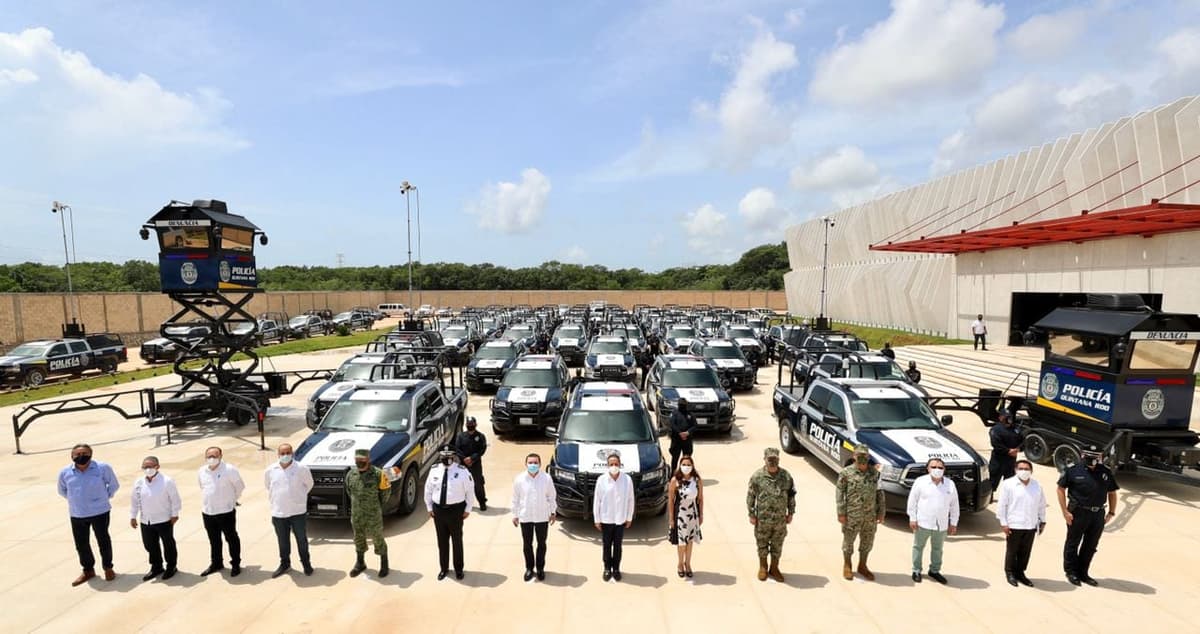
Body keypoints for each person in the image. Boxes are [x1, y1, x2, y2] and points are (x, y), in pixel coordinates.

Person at [58, 443, 120, 586]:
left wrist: (104, 498)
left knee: (103, 541)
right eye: (77, 455)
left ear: (91, 454)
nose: (81, 457)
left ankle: (108, 568)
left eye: (85, 453)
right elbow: (62, 490)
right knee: (81, 544)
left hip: (100, 511)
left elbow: (114, 485)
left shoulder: (102, 468)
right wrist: (77, 501)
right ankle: (88, 570)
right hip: (77, 513)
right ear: (72, 456)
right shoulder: (65, 472)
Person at [1057, 445, 1119, 586]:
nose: (1094, 460)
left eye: (1096, 457)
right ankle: (1071, 572)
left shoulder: (1105, 472)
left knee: (1091, 545)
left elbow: (1112, 493)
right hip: (1078, 512)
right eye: (1091, 456)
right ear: (1083, 455)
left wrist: (1111, 512)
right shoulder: (1073, 470)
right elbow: (1060, 489)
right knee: (1073, 543)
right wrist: (1065, 512)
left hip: (1098, 514)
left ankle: (1083, 572)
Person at [425, 444, 475, 580]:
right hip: (438, 511)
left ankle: (459, 569)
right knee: (442, 541)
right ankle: (444, 569)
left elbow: (470, 491)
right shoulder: (434, 470)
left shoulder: (462, 471)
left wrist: (468, 509)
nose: (446, 459)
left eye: (449, 456)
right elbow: (428, 490)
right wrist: (429, 507)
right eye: (443, 456)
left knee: (457, 541)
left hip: (456, 511)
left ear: (454, 457)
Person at [836, 444, 885, 581]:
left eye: (865, 456)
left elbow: (880, 493)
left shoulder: (875, 473)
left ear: (869, 457)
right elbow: (839, 493)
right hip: (852, 515)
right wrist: (841, 512)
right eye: (859, 456)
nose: (862, 458)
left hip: (870, 516)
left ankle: (862, 565)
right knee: (848, 542)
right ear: (854, 456)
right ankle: (847, 565)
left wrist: (881, 512)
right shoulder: (846, 473)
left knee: (867, 542)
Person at [264, 443, 314, 578]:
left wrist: (298, 498)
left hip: (297, 511)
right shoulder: (270, 470)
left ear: (292, 453)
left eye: (288, 453)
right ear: (278, 455)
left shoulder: (301, 468)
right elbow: (269, 486)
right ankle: (285, 564)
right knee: (283, 540)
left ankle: (306, 564)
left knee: (301, 540)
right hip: (279, 512)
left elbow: (309, 485)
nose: (285, 456)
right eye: (282, 453)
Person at [129, 456, 182, 581]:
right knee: (150, 545)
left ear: (157, 467)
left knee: (168, 545)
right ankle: (156, 566)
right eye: (145, 467)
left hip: (164, 519)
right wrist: (133, 516)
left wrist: (175, 514)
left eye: (150, 466)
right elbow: (134, 500)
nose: (148, 469)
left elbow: (175, 499)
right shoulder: (139, 482)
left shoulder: (167, 481)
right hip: (146, 520)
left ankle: (171, 566)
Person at [907, 458, 959, 584]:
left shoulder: (950, 484)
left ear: (944, 470)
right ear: (928, 468)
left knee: (938, 549)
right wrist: (912, 518)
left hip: (941, 524)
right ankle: (916, 570)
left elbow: (954, 505)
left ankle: (934, 571)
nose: (937, 470)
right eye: (934, 467)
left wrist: (953, 523)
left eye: (940, 467)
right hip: (923, 522)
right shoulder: (920, 482)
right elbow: (912, 501)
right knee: (918, 547)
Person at [747, 447, 795, 582]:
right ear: (765, 460)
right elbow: (751, 496)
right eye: (770, 459)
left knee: (777, 544)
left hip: (780, 520)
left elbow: (791, 495)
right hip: (763, 519)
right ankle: (763, 567)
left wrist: (791, 512)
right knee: (761, 543)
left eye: (775, 459)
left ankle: (774, 568)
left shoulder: (786, 476)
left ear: (778, 459)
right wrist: (751, 514)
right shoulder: (757, 477)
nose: (772, 462)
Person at [997, 460, 1047, 587]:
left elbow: (1041, 504)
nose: (1024, 471)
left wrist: (1043, 520)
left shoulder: (1036, 485)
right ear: (1016, 470)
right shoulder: (1008, 484)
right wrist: (1004, 523)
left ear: (1031, 471)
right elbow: (1002, 505)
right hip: (1014, 524)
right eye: (1021, 468)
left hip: (1030, 524)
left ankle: (1020, 573)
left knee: (1025, 551)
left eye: (1027, 469)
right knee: (1012, 550)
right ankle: (1009, 573)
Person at [198, 446, 245, 577]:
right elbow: (202, 487)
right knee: (214, 540)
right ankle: (216, 563)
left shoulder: (229, 470)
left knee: (231, 538)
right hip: (208, 512)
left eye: (215, 456)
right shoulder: (202, 471)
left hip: (226, 511)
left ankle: (235, 563)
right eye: (209, 456)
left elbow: (239, 487)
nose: (212, 459)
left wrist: (231, 500)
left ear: (221, 456)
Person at [511, 452, 557, 582]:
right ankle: (529, 568)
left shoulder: (546, 478)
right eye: (530, 462)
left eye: (535, 462)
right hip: (526, 516)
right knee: (527, 544)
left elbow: (551, 496)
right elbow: (515, 498)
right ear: (526, 464)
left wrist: (553, 512)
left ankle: (540, 568)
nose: (533, 465)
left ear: (540, 464)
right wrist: (514, 514)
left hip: (542, 516)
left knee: (541, 544)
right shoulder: (519, 479)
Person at [345, 449, 391, 578]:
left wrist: (376, 506)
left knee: (377, 538)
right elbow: (349, 492)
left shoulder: (378, 474)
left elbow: (385, 493)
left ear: (368, 459)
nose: (359, 462)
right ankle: (360, 563)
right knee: (358, 538)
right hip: (357, 514)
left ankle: (384, 564)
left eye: (362, 460)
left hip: (373, 513)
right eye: (357, 460)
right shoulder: (351, 474)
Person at [593, 452, 635, 582]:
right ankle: (607, 568)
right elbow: (597, 500)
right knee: (606, 545)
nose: (614, 466)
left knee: (617, 546)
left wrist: (629, 517)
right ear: (607, 465)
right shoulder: (601, 480)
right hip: (606, 519)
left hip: (620, 519)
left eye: (616, 464)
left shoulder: (627, 479)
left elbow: (630, 499)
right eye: (611, 464)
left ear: (620, 465)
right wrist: (597, 519)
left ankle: (616, 569)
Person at [668, 455, 704, 579]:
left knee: (689, 541)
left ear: (692, 466)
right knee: (681, 542)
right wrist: (671, 518)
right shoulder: (675, 481)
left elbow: (700, 499)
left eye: (689, 464)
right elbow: (671, 501)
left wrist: (701, 514)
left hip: (692, 514)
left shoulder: (697, 480)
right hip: (680, 514)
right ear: (680, 466)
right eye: (684, 464)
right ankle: (680, 564)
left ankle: (688, 564)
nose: (686, 467)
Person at [455, 417, 488, 511]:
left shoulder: (481, 436)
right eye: (468, 424)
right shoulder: (460, 436)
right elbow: (457, 449)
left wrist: (472, 458)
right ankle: (464, 503)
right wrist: (464, 459)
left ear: (476, 424)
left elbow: (482, 449)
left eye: (472, 424)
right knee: (463, 484)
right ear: (466, 425)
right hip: (463, 464)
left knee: (478, 484)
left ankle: (482, 502)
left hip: (476, 464)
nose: (470, 426)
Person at [989, 412, 1023, 495]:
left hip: (1011, 461)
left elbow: (1023, 441)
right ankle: (989, 497)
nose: (1008, 419)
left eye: (1009, 417)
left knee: (1010, 483)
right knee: (992, 481)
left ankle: (1007, 499)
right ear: (1000, 417)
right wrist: (1008, 451)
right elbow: (996, 443)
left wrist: (1017, 449)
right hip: (998, 460)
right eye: (1005, 416)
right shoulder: (995, 429)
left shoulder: (1016, 429)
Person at [668, 398, 697, 473]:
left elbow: (694, 425)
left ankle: (686, 474)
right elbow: (672, 424)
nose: (682, 406)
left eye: (683, 405)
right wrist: (679, 433)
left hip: (687, 440)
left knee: (687, 459)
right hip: (676, 440)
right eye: (680, 405)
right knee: (675, 458)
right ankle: (673, 474)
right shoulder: (674, 413)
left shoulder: (690, 414)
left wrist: (687, 433)